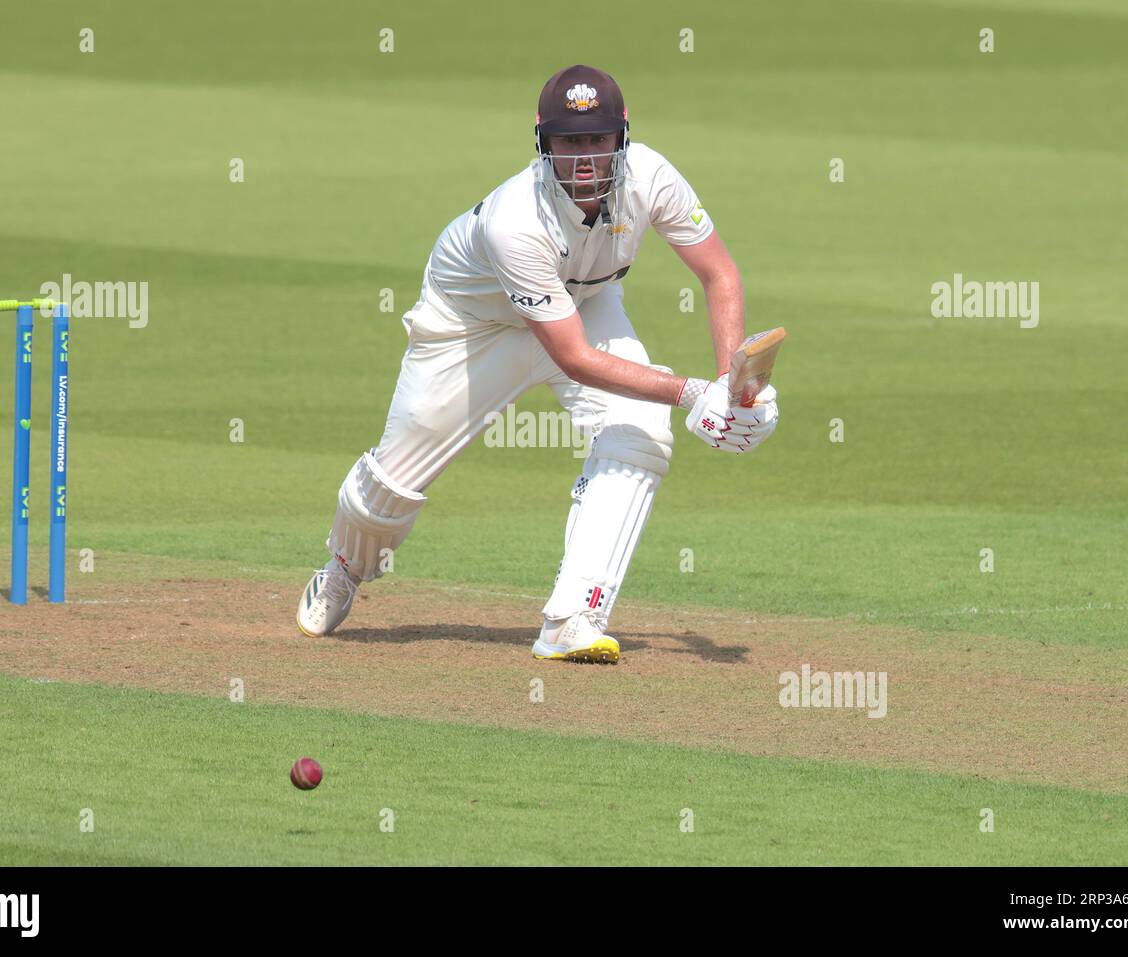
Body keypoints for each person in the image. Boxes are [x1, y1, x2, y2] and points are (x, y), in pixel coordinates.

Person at [296, 64, 779, 663]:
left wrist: (734, 387)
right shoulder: (514, 222)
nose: (584, 158)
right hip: (469, 331)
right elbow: (573, 359)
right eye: (569, 142)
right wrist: (691, 392)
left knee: (641, 436)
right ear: (541, 138)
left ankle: (572, 618)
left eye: (597, 140)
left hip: (583, 301)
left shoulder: (652, 175)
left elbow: (719, 272)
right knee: (389, 490)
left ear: (623, 132)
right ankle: (345, 567)